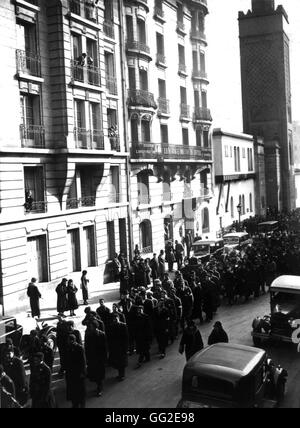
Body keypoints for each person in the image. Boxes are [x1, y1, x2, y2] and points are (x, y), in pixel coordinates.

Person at [85, 322, 107, 397]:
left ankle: (100, 388)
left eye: (91, 326)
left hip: (99, 357)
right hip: (92, 357)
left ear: (95, 327)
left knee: (99, 373)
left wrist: (105, 358)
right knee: (94, 373)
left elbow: (104, 347)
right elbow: (87, 347)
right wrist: (87, 357)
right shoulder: (89, 335)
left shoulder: (101, 334)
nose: (90, 328)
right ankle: (98, 385)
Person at [65, 335, 87, 409]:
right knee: (73, 390)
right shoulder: (68, 348)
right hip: (71, 373)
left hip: (78, 373)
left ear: (72, 340)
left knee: (80, 390)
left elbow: (83, 362)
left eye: (68, 340)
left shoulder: (79, 348)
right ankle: (75, 404)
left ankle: (82, 404)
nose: (67, 342)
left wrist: (82, 372)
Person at [107, 313, 129, 382]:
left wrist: (126, 348)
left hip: (122, 347)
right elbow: (109, 338)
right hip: (115, 347)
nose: (115, 320)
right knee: (117, 362)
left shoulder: (123, 326)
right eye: (114, 319)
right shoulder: (111, 326)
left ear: (118, 318)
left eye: (116, 319)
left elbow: (126, 337)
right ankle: (120, 374)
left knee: (122, 363)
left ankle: (122, 375)